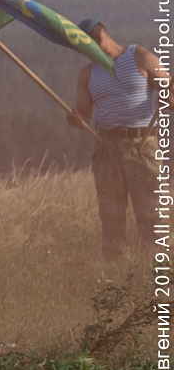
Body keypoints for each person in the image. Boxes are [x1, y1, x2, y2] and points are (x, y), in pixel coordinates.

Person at [66, 18, 169, 260]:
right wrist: (76, 119)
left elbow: (169, 90)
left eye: (85, 48)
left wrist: (169, 95)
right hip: (106, 148)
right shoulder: (87, 74)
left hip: (142, 146)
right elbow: (84, 114)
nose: (84, 55)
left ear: (99, 39)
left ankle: (155, 276)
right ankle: (115, 275)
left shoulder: (140, 57)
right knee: (111, 217)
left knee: (151, 215)